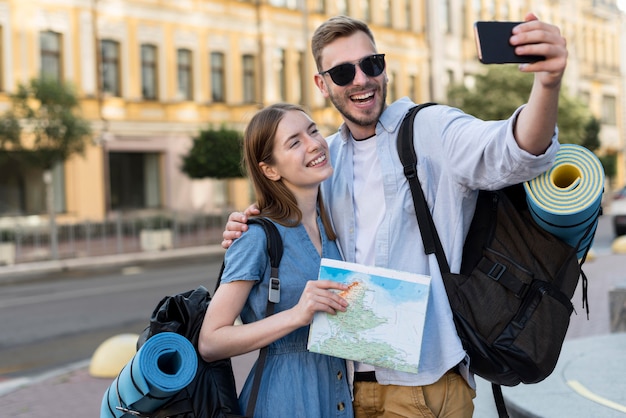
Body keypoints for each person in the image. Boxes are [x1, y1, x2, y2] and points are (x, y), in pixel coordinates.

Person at [222, 13, 567, 418]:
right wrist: (247, 226)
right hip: (353, 388)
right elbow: (288, 223)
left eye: (371, 64)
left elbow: (512, 150)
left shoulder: (429, 129)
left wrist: (547, 83)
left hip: (428, 384)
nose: (361, 79)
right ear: (322, 83)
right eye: (342, 71)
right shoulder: (324, 161)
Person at [198, 103, 354, 418]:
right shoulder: (256, 237)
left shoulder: (332, 227)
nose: (314, 144)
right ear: (270, 169)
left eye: (312, 131)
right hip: (284, 400)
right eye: (294, 142)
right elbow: (210, 341)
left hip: (337, 395)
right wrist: (298, 315)